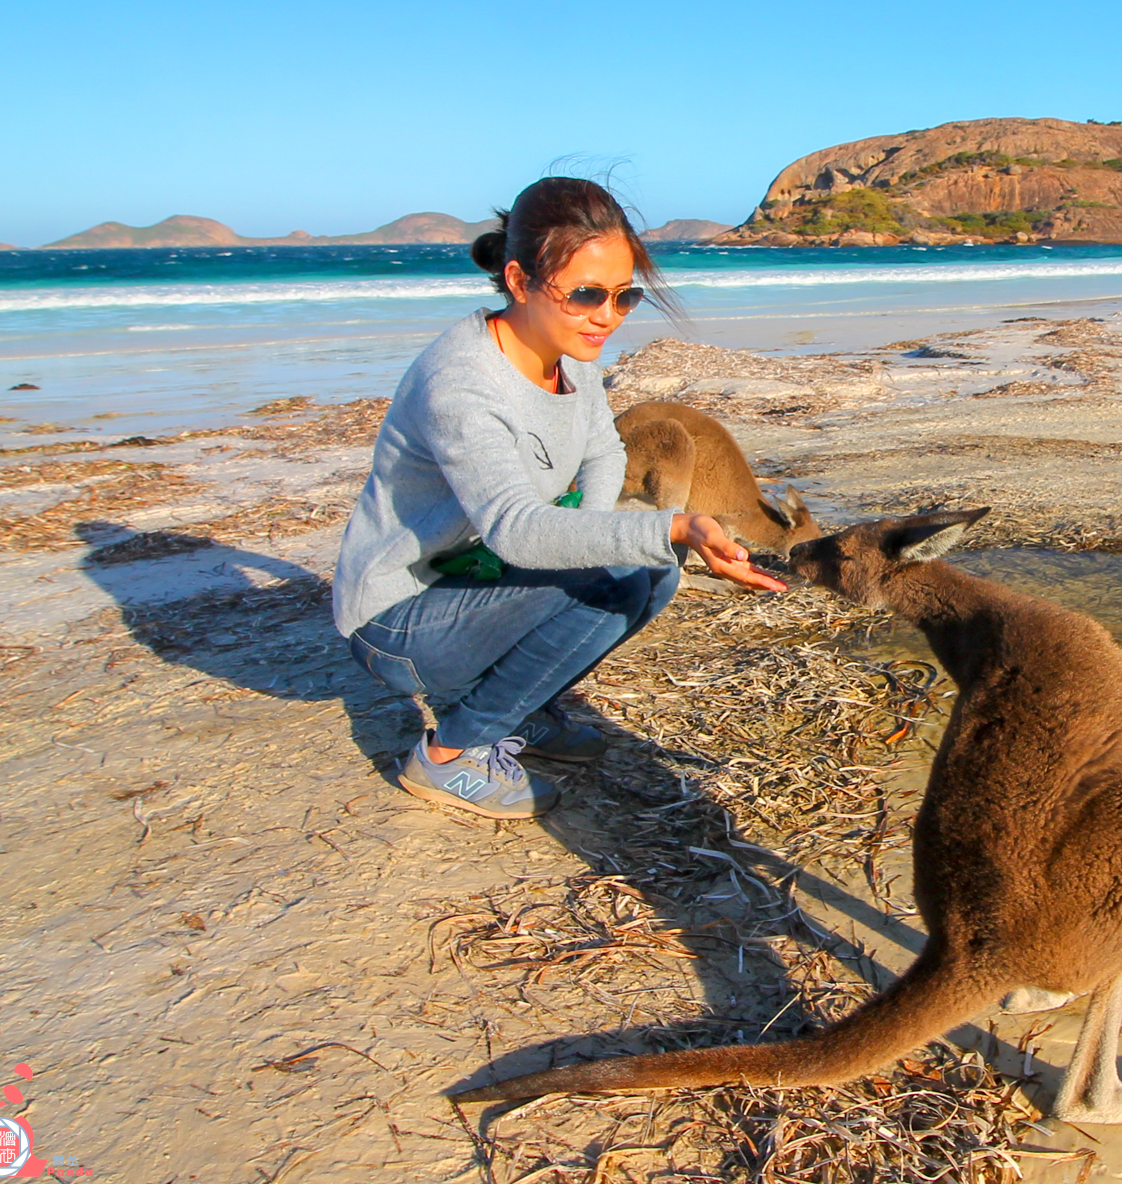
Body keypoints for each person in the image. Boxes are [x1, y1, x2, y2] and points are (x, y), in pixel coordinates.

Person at [332, 177, 787, 820]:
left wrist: (608, 552)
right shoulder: (462, 384)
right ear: (518, 281)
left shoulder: (572, 357)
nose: (607, 316)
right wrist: (676, 526)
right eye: (585, 295)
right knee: (635, 565)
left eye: (623, 296)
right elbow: (515, 530)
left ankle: (521, 707)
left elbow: (603, 450)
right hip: (399, 619)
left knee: (641, 574)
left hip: (480, 582)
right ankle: (451, 752)